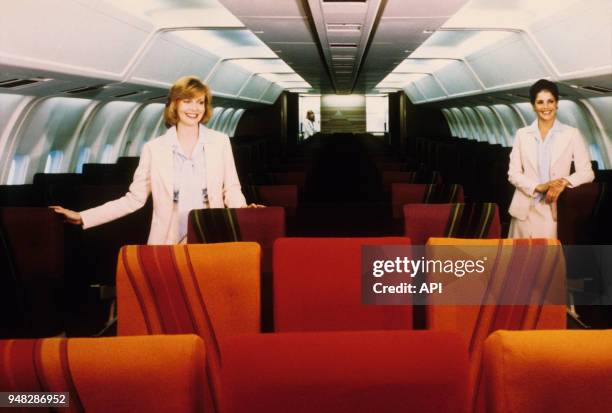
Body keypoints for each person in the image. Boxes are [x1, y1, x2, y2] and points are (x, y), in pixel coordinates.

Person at [52, 76, 259, 244]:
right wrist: (83, 217)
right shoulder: (154, 149)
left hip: (212, 233)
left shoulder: (220, 142)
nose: (194, 108)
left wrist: (244, 211)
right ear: (174, 105)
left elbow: (231, 189)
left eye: (200, 102)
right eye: (187, 101)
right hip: (168, 238)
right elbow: (133, 200)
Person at [507, 79, 594, 238]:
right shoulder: (522, 134)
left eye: (550, 101)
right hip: (523, 210)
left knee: (546, 260)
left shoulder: (572, 134)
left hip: (552, 209)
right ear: (533, 106)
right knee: (518, 260)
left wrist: (563, 182)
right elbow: (513, 173)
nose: (545, 107)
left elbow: (587, 173)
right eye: (540, 102)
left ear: (557, 104)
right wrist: (537, 187)